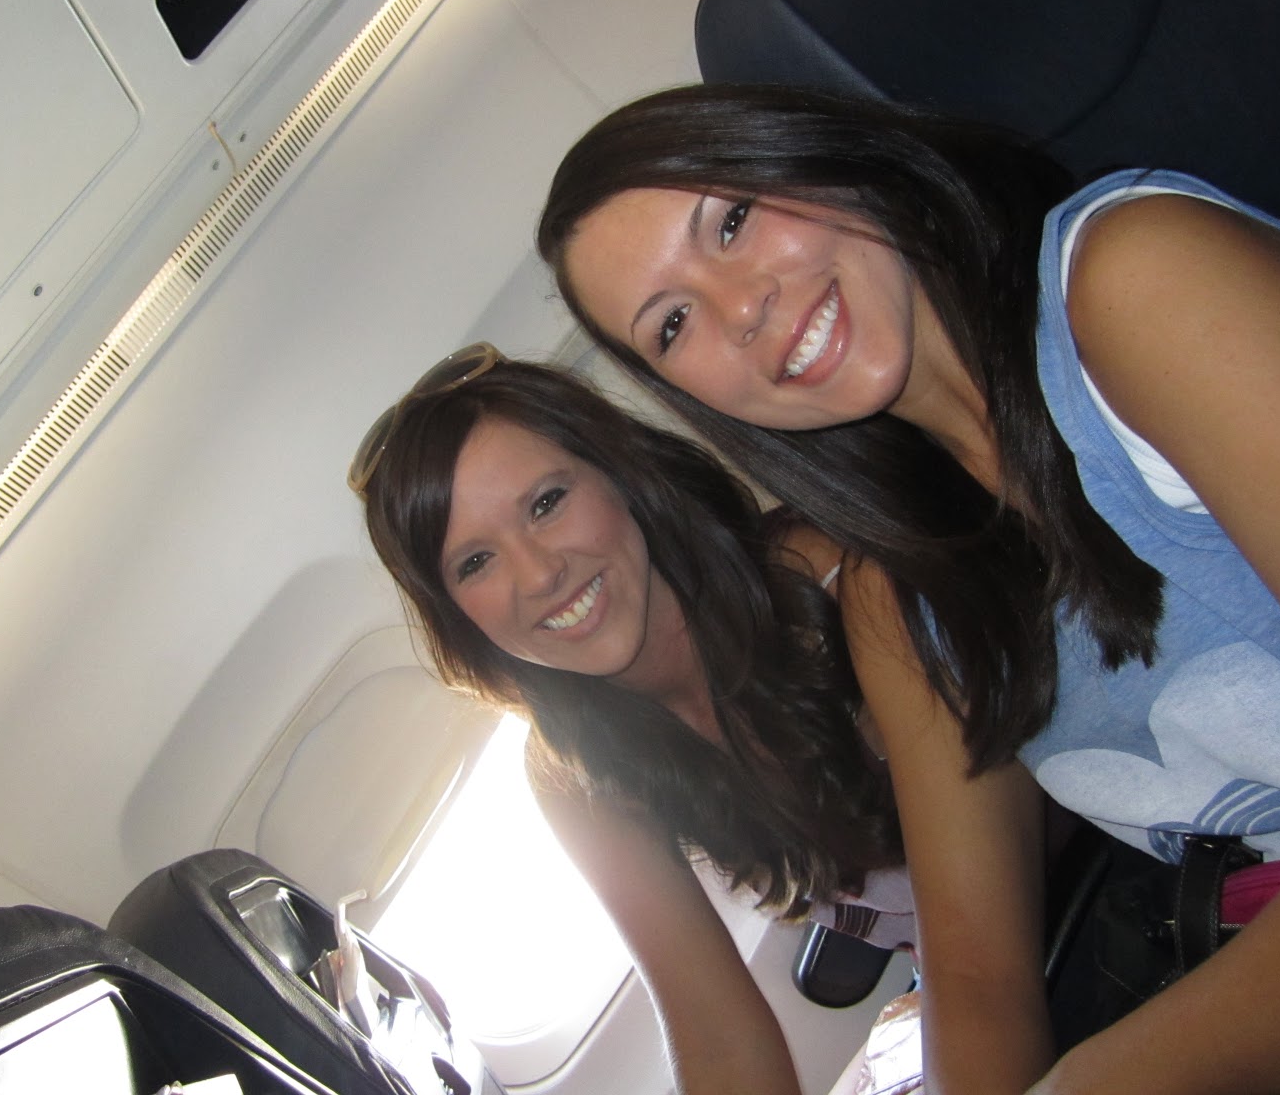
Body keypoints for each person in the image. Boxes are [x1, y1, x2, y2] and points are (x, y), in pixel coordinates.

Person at [536, 84, 1280, 1095]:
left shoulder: (1132, 281)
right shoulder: (908, 594)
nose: (741, 311)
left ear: (822, 155)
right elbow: (973, 981)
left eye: (732, 221)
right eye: (671, 325)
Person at [349, 347, 908, 1095]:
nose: (539, 574)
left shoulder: (830, 588)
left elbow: (985, 958)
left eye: (546, 503)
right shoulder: (574, 770)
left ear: (619, 470)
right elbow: (716, 1038)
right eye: (475, 562)